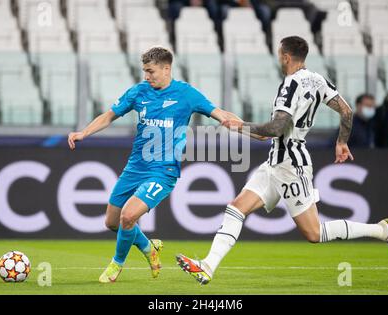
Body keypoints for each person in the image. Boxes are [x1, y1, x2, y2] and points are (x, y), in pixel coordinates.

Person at [176, 36, 388, 285]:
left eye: (279, 54)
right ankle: (208, 266)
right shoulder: (317, 80)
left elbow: (276, 128)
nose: (278, 58)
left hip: (291, 165)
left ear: (285, 56)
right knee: (236, 208)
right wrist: (342, 141)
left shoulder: (290, 86)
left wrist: (242, 126)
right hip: (276, 161)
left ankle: (382, 231)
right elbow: (346, 110)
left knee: (314, 233)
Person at [67, 46, 264, 283]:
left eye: (150, 71)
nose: (146, 76)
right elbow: (109, 115)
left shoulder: (186, 94)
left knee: (128, 217)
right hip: (135, 167)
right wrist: (84, 133)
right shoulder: (138, 92)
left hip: (163, 171)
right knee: (112, 222)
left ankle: (115, 266)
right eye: (144, 71)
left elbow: (221, 114)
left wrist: (255, 130)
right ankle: (149, 248)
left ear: (166, 68)